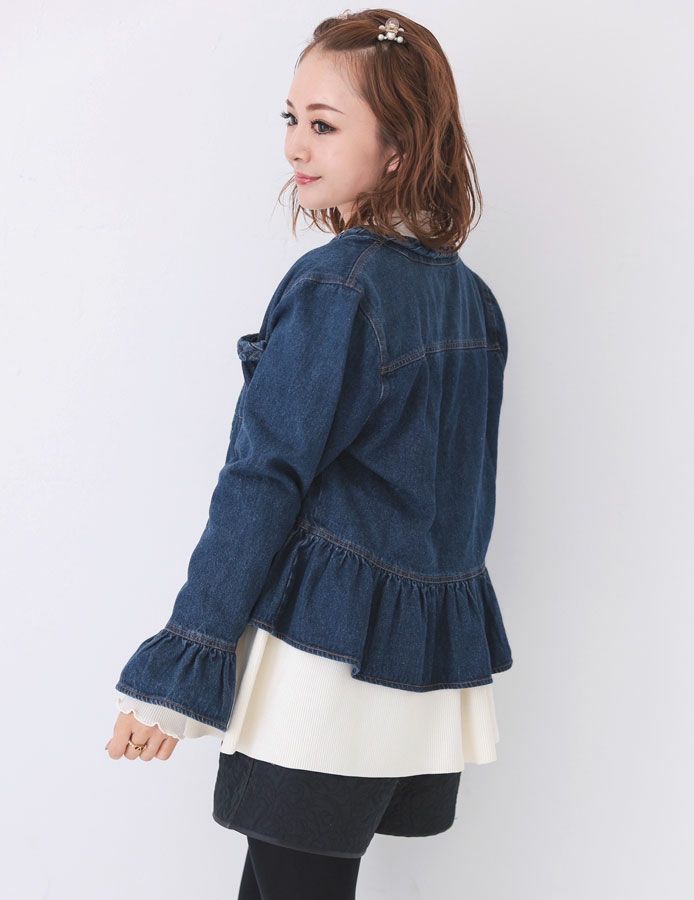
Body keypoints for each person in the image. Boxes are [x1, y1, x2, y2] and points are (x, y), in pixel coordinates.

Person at [106, 10, 513, 899]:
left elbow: (263, 481)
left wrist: (182, 667)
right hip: (410, 672)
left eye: (324, 125)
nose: (296, 145)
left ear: (399, 145)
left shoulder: (337, 286)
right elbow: (461, 506)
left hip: (323, 673)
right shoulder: (469, 299)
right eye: (291, 118)